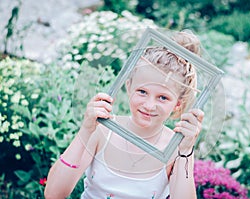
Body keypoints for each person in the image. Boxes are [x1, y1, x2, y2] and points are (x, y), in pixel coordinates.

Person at [44, 30, 204, 199]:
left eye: (163, 97)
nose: (149, 105)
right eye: (142, 91)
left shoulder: (175, 149)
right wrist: (85, 129)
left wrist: (186, 150)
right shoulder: (102, 131)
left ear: (177, 104)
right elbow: (54, 194)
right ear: (128, 87)